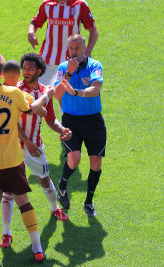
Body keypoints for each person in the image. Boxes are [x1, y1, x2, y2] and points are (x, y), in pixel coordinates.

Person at [0, 53, 54, 264]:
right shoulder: (14, 92)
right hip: (13, 160)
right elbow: (34, 109)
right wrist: (48, 94)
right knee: (23, 201)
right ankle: (38, 248)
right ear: (3, 73)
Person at [0, 53, 73, 249]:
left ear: (39, 71)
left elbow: (50, 119)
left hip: (36, 146)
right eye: (24, 68)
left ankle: (54, 208)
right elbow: (12, 121)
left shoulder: (45, 91)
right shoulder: (16, 90)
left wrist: (62, 129)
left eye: (30, 68)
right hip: (13, 146)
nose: (26, 71)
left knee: (44, 178)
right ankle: (6, 233)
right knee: (9, 190)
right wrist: (26, 141)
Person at [54, 34, 106, 217]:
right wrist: (68, 73)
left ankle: (89, 202)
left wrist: (77, 92)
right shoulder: (62, 68)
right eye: (71, 48)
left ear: (85, 48)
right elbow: (57, 95)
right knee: (74, 159)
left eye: (77, 48)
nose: (74, 52)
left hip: (93, 121)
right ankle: (62, 185)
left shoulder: (94, 65)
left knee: (96, 162)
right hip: (71, 121)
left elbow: (95, 89)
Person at [28, 0, 98, 87]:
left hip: (72, 61)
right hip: (47, 60)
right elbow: (35, 22)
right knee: (41, 94)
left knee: (67, 96)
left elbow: (93, 30)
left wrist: (88, 51)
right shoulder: (47, 4)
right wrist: (31, 32)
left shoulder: (80, 5)